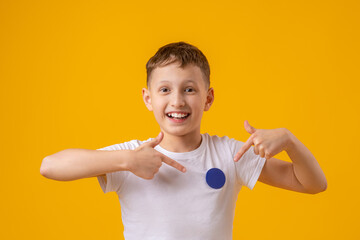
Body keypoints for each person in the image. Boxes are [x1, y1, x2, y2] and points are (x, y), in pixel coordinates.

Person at [40, 41, 327, 240]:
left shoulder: (230, 154)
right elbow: (50, 166)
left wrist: (289, 141)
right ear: (148, 99)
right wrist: (128, 161)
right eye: (164, 89)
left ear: (208, 98)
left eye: (189, 89)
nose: (177, 100)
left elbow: (313, 183)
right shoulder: (132, 155)